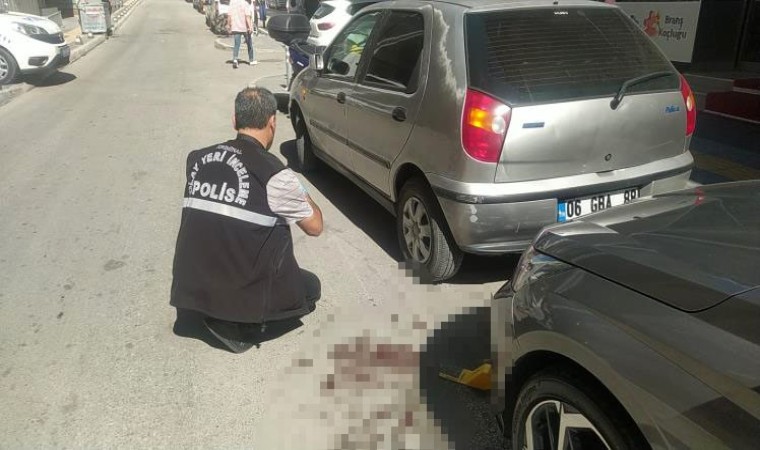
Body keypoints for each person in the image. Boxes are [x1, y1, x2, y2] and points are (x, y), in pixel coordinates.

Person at [171, 87, 324, 353]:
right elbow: (315, 226)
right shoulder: (274, 172)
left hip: (192, 287)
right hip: (240, 292)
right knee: (311, 287)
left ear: (235, 121)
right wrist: (297, 187)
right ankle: (237, 325)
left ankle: (212, 309)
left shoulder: (197, 159)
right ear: (272, 122)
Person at [227, 0, 257, 68]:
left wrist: (228, 25)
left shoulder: (232, 2)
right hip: (245, 28)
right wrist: (250, 27)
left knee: (236, 44)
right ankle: (251, 60)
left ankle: (235, 59)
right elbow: (247, 17)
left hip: (236, 27)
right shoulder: (245, 3)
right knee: (249, 44)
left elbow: (229, 15)